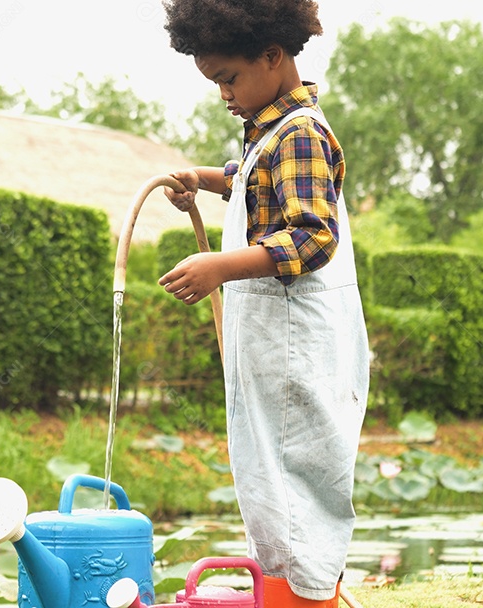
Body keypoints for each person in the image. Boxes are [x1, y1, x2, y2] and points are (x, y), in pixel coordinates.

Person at [158, 1, 369, 606]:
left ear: (272, 56)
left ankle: (302, 597)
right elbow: (256, 179)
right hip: (275, 349)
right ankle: (285, 590)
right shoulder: (273, 132)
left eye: (228, 78)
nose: (224, 93)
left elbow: (312, 235)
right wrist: (207, 178)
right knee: (274, 484)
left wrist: (220, 268)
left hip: (296, 350)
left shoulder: (301, 133)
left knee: (296, 481)